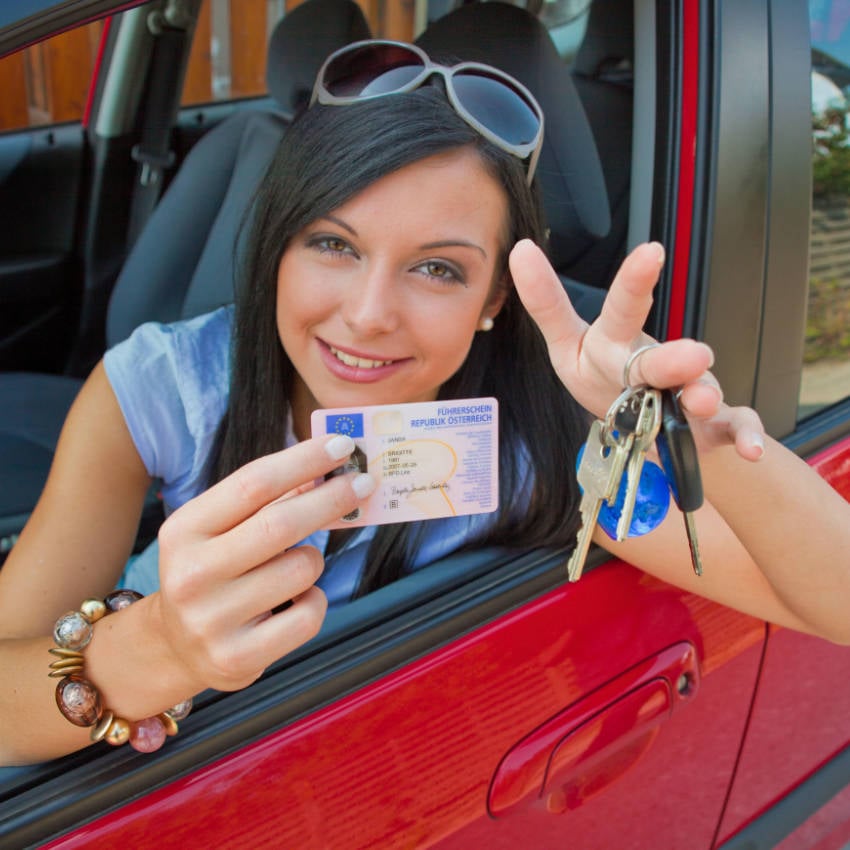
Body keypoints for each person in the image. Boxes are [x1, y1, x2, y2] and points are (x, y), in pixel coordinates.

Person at [1, 39, 848, 767]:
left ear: (493, 301)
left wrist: (693, 435)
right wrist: (159, 647)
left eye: (438, 268)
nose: (369, 313)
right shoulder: (161, 391)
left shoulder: (532, 448)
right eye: (332, 244)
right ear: (275, 251)